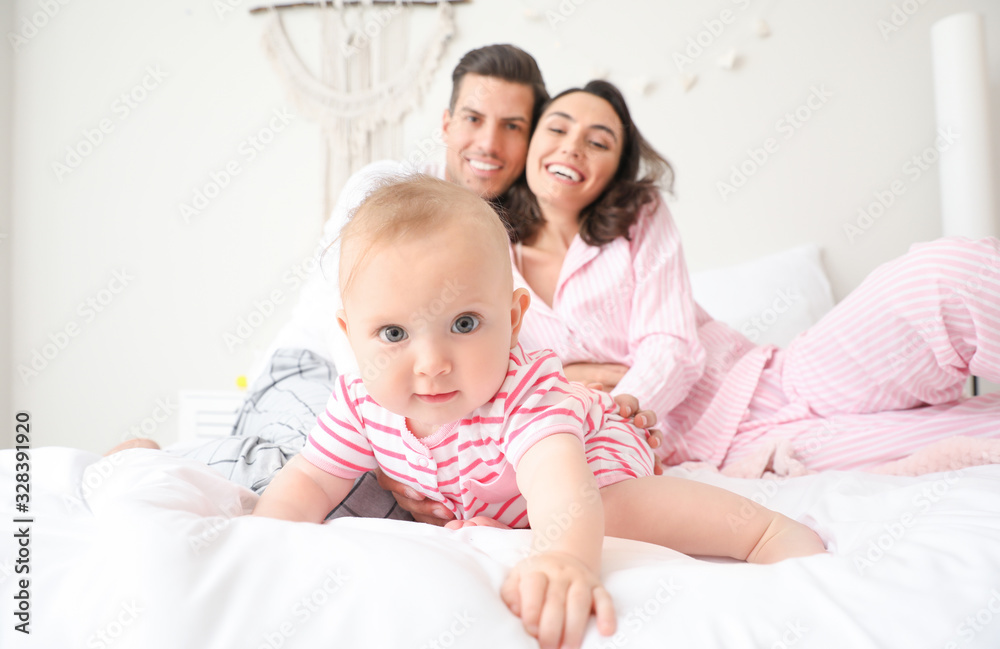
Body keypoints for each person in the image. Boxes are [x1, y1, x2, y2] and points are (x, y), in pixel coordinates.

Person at [252, 174, 827, 649]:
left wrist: (562, 558)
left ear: (515, 318)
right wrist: (260, 537)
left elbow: (560, 491)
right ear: (352, 338)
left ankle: (761, 532)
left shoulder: (522, 394)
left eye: (465, 324)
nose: (431, 364)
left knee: (612, 510)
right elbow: (307, 479)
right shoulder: (358, 401)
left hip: (590, 445)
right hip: (495, 492)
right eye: (394, 332)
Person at [109, 44, 662, 522]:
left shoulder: (507, 234)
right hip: (329, 371)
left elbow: (508, 358)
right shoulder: (390, 192)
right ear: (445, 124)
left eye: (513, 126)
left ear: (531, 141)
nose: (489, 142)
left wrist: (598, 405)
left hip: (430, 405)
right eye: (473, 118)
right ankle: (157, 462)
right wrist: (395, 441)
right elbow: (355, 327)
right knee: (321, 475)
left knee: (426, 501)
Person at [499, 78, 1000, 477]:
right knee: (979, 433)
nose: (573, 148)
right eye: (558, 129)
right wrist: (569, 382)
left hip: (774, 382)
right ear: (530, 144)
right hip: (724, 454)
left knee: (946, 276)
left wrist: (609, 411)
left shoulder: (639, 214)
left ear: (616, 167)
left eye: (598, 141)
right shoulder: (488, 258)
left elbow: (670, 347)